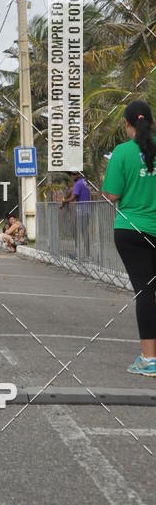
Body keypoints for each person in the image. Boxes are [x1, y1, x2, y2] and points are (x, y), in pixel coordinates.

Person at [102, 100, 156, 377]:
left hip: (131, 230)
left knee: (145, 292)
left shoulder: (122, 153)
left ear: (127, 124)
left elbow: (111, 194)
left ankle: (149, 359)